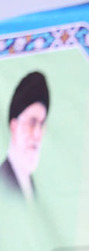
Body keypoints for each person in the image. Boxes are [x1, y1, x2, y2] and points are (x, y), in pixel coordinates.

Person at [1, 71, 50, 200]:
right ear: (14, 126)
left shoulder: (33, 188)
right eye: (32, 122)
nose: (37, 134)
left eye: (41, 124)